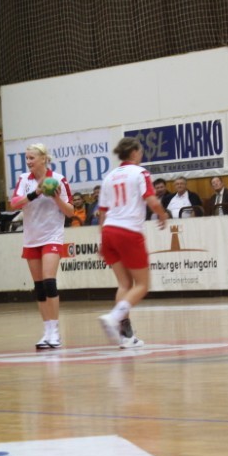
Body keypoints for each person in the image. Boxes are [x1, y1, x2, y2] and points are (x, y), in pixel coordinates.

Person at [97, 137, 168, 349]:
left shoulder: (109, 177)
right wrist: (162, 215)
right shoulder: (140, 173)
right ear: (135, 152)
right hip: (128, 231)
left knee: (124, 284)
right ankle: (114, 317)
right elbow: (152, 200)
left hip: (109, 231)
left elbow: (102, 213)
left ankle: (126, 336)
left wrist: (102, 239)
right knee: (143, 285)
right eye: (141, 152)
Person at [9, 143, 75, 350]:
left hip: (52, 236)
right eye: (27, 158)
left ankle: (55, 331)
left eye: (32, 158)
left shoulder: (58, 179)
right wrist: (36, 193)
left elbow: (70, 212)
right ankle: (46, 331)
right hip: (32, 238)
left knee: (48, 282)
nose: (28, 162)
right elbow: (14, 203)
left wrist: (55, 197)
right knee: (38, 287)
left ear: (43, 159)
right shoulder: (24, 180)